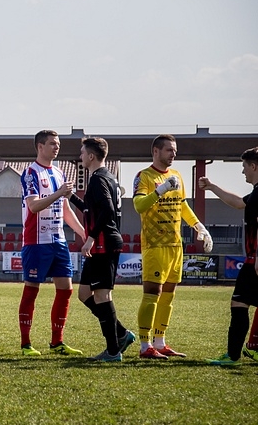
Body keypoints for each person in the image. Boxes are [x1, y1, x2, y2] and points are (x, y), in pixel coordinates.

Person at [133, 134, 213, 359]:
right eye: (169, 150)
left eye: (175, 150)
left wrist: (198, 226)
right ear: (156, 151)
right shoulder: (144, 176)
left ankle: (160, 342)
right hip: (155, 245)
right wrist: (160, 190)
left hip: (175, 245)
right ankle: (145, 345)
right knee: (152, 293)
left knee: (168, 295)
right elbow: (139, 205)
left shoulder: (176, 175)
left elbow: (182, 205)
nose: (173, 154)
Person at [68, 137, 137, 362]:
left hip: (103, 243)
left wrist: (90, 238)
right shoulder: (108, 178)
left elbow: (106, 210)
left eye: (82, 153)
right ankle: (121, 333)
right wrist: (71, 197)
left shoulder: (98, 179)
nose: (80, 156)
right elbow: (93, 210)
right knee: (84, 294)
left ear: (91, 156)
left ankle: (113, 350)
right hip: (101, 243)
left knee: (102, 295)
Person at [18, 130, 86, 357]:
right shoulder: (30, 173)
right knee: (31, 290)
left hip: (58, 241)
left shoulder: (58, 172)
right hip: (36, 241)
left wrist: (82, 232)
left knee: (66, 289)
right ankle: (26, 344)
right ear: (40, 146)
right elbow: (34, 206)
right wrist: (58, 193)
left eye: (58, 144)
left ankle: (57, 341)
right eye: (52, 144)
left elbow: (65, 209)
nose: (57, 147)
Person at [199, 147, 258, 365]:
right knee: (240, 302)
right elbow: (239, 203)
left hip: (255, 259)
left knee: (239, 303)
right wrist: (213, 186)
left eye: (244, 167)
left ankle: (233, 356)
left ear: (254, 166)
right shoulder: (256, 194)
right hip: (252, 258)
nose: (243, 172)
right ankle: (235, 354)